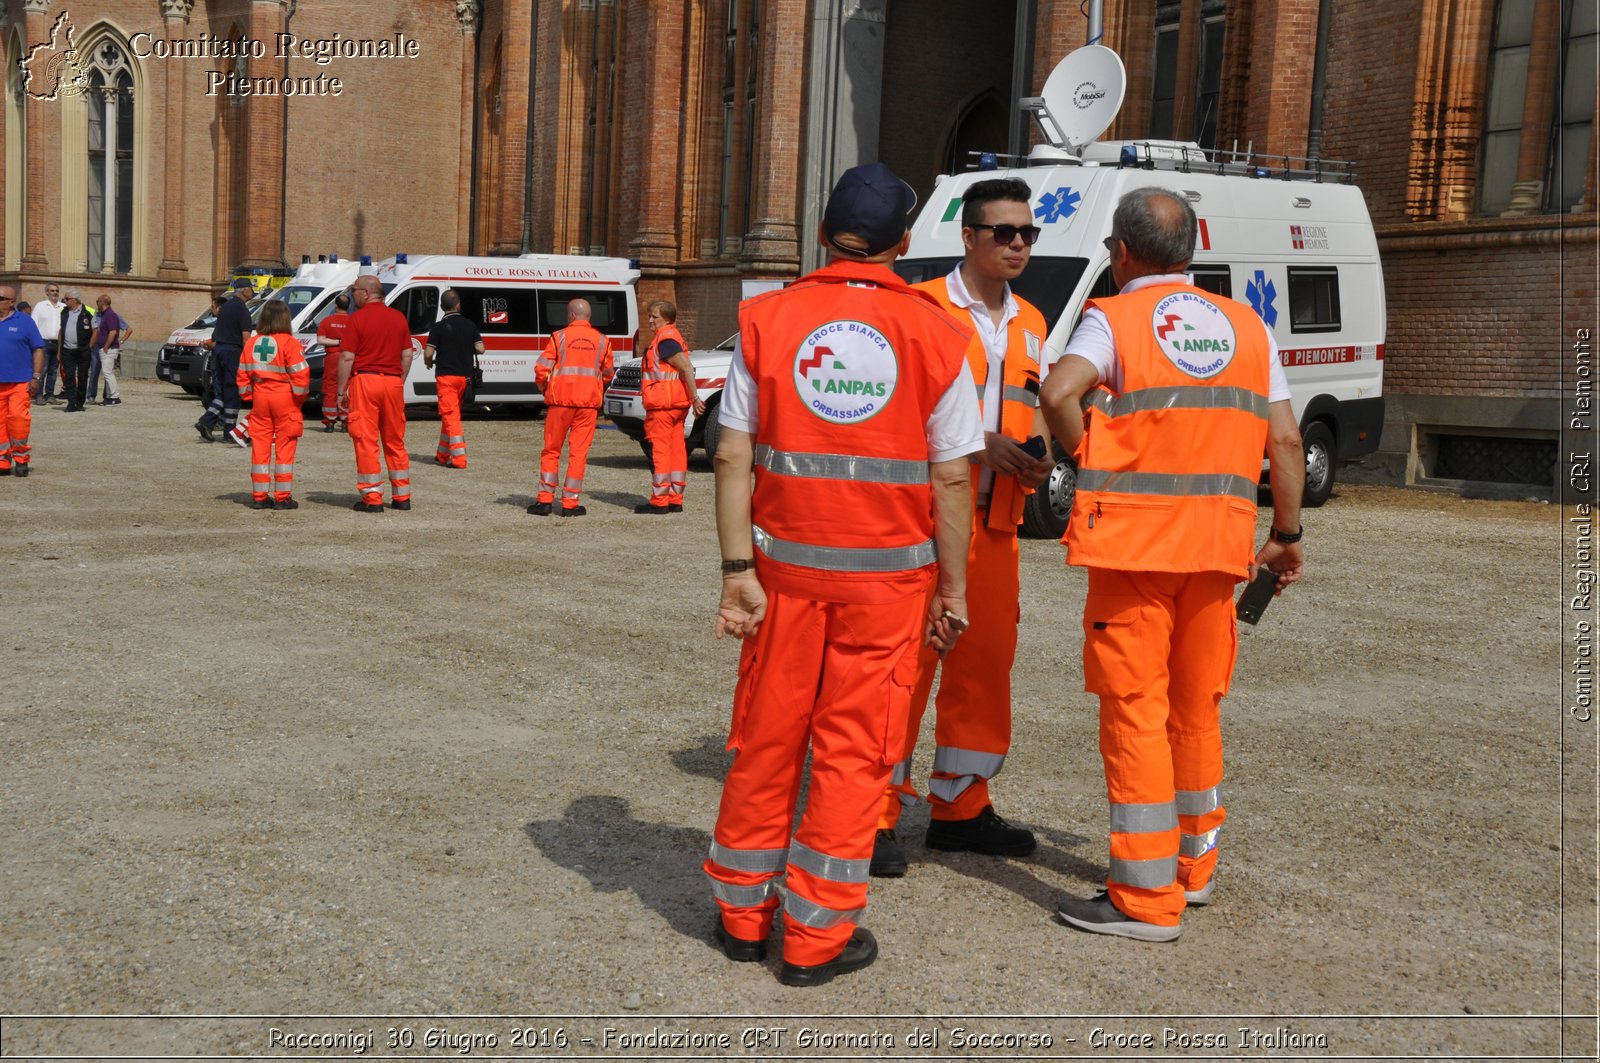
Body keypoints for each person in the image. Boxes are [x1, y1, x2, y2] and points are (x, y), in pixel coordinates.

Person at [704, 162, 984, 987]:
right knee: (855, 753)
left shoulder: (768, 319)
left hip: (783, 576)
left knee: (766, 738)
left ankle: (742, 916)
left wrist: (734, 573)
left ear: (825, 232)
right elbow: (953, 477)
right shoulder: (937, 332)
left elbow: (729, 453)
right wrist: (955, 590)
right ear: (903, 243)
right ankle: (816, 937)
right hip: (889, 588)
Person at [1039, 187, 1306, 943]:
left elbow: (1060, 390)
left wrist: (1089, 451)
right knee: (1195, 709)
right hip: (1219, 549)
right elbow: (1284, 443)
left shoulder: (1114, 316)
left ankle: (1143, 898)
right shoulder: (1250, 327)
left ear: (1120, 253)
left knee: (1136, 710)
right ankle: (1192, 871)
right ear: (1194, 249)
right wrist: (1284, 532)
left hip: (1133, 548)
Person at [871, 177, 1058, 877]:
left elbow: (1031, 408)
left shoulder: (1033, 321)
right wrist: (981, 444)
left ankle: (961, 808)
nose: (1018, 244)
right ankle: (875, 812)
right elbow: (894, 413)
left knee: (983, 667)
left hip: (1000, 521)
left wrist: (1037, 457)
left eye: (1027, 233)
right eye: (1004, 232)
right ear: (969, 236)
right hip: (925, 515)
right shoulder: (920, 308)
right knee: (906, 666)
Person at [337, 274, 415, 512]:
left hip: (366, 381)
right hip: (392, 383)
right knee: (394, 439)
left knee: (366, 439)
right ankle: (402, 497)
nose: (352, 295)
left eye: (355, 291)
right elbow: (408, 354)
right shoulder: (398, 317)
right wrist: (399, 379)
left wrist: (341, 391)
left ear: (366, 293)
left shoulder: (357, 319)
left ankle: (372, 498)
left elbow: (347, 356)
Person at [529, 298, 613, 516]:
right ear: (589, 317)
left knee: (551, 451)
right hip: (588, 405)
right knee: (579, 454)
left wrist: (543, 387)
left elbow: (541, 369)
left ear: (571, 316)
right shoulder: (603, 340)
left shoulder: (559, 337)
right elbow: (608, 373)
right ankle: (570, 503)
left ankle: (545, 501)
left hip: (560, 402)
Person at [236, 299, 310, 509]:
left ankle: (259, 496)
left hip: (261, 397)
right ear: (285, 318)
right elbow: (301, 376)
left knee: (260, 446)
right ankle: (282, 497)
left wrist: (251, 397)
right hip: (284, 397)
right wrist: (298, 399)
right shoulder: (289, 342)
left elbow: (242, 375)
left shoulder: (251, 342)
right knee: (285, 446)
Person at [634, 300, 704, 514]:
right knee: (676, 452)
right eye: (650, 316)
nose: (650, 320)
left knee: (662, 452)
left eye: (654, 317)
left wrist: (695, 397)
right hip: (675, 405)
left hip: (664, 406)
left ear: (667, 319)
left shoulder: (665, 339)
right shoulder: (672, 337)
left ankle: (660, 500)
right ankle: (675, 498)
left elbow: (685, 367)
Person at [423, 289, 484, 469]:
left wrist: (428, 362)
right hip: (464, 379)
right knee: (451, 415)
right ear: (458, 305)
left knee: (450, 416)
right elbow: (480, 349)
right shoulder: (470, 324)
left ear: (442, 307)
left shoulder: (438, 327)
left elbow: (428, 353)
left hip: (446, 377)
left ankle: (459, 459)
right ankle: (442, 455)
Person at [196, 278, 255, 443]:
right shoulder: (242, 310)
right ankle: (217, 426)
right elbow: (246, 338)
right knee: (233, 392)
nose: (252, 291)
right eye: (251, 288)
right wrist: (250, 362)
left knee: (223, 391)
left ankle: (217, 426)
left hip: (220, 351)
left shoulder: (226, 306)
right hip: (233, 353)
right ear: (244, 290)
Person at [0, 284, 46, 476]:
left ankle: (20, 458)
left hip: (20, 381)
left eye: (1, 298)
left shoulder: (25, 322)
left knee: (18, 419)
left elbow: (38, 348)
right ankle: (2, 459)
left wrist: (36, 376)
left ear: (11, 302)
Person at [317, 292, 353, 432]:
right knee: (347, 387)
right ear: (349, 306)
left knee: (330, 387)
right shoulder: (353, 321)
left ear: (335, 305)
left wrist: (337, 342)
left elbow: (320, 340)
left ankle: (330, 421)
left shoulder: (326, 321)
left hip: (332, 357)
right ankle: (345, 421)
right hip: (349, 357)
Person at [57, 289, 95, 413]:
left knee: (83, 377)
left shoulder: (88, 312)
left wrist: (90, 346)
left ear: (75, 300)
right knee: (69, 377)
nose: (64, 301)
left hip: (83, 351)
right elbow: (61, 331)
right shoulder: (64, 312)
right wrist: (59, 350)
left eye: (67, 299)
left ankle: (80, 402)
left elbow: (96, 330)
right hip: (67, 350)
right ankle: (71, 402)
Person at [89, 294, 131, 406]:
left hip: (109, 349)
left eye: (98, 301)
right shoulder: (105, 314)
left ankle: (114, 397)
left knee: (108, 373)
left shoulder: (111, 315)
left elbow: (112, 332)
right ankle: (109, 397)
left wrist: (106, 346)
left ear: (103, 302)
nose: (96, 302)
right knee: (107, 372)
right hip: (105, 348)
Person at [29, 286, 61, 405]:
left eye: (57, 291)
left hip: (57, 343)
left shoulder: (62, 307)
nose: (55, 293)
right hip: (43, 342)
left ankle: (50, 395)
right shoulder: (40, 306)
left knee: (53, 371)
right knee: (42, 369)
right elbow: (34, 324)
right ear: (47, 292)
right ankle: (38, 395)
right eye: (52, 291)